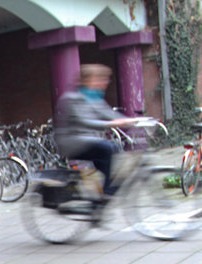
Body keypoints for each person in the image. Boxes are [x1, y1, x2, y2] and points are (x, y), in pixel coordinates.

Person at [54, 63, 143, 198]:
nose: (104, 83)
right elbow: (82, 121)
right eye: (100, 79)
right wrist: (109, 124)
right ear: (88, 80)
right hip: (72, 142)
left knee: (114, 156)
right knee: (109, 148)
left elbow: (108, 114)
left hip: (88, 141)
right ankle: (107, 191)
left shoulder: (95, 98)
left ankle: (97, 201)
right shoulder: (72, 98)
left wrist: (133, 120)